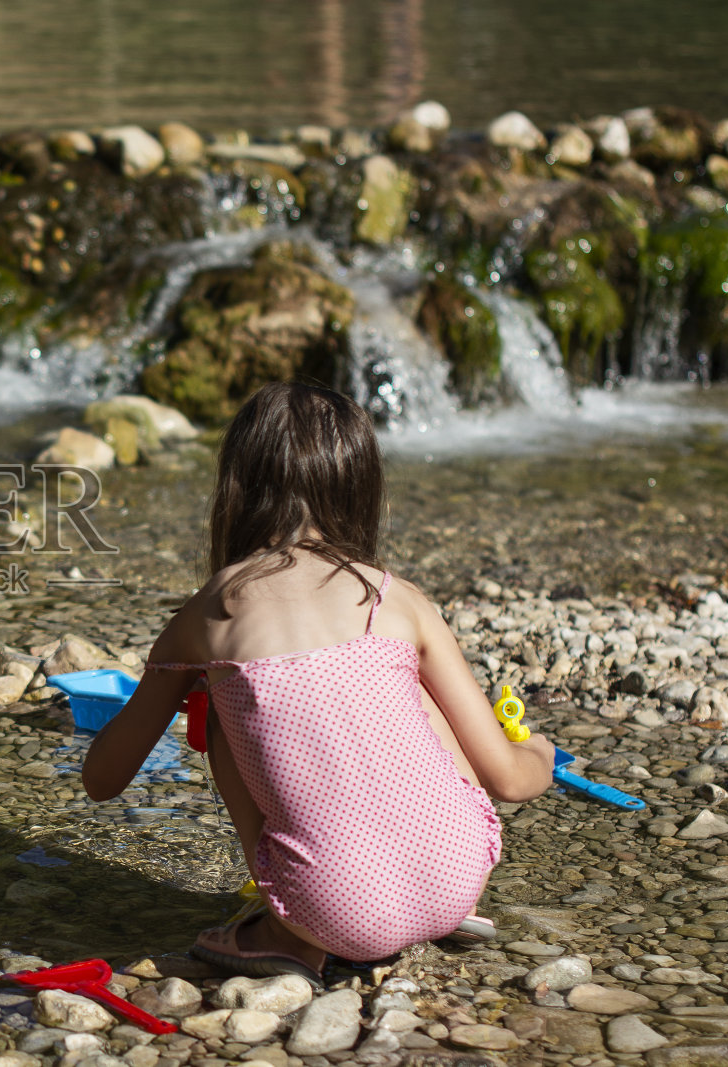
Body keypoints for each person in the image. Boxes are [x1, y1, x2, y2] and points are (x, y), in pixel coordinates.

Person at [82, 381, 553, 985]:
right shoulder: (398, 599)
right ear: (361, 488)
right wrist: (537, 752)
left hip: (333, 910)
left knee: (221, 714)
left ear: (236, 489)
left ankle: (286, 936)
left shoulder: (208, 614)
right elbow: (509, 780)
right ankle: (420, 898)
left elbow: (103, 780)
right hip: (460, 881)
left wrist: (192, 686)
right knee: (409, 687)